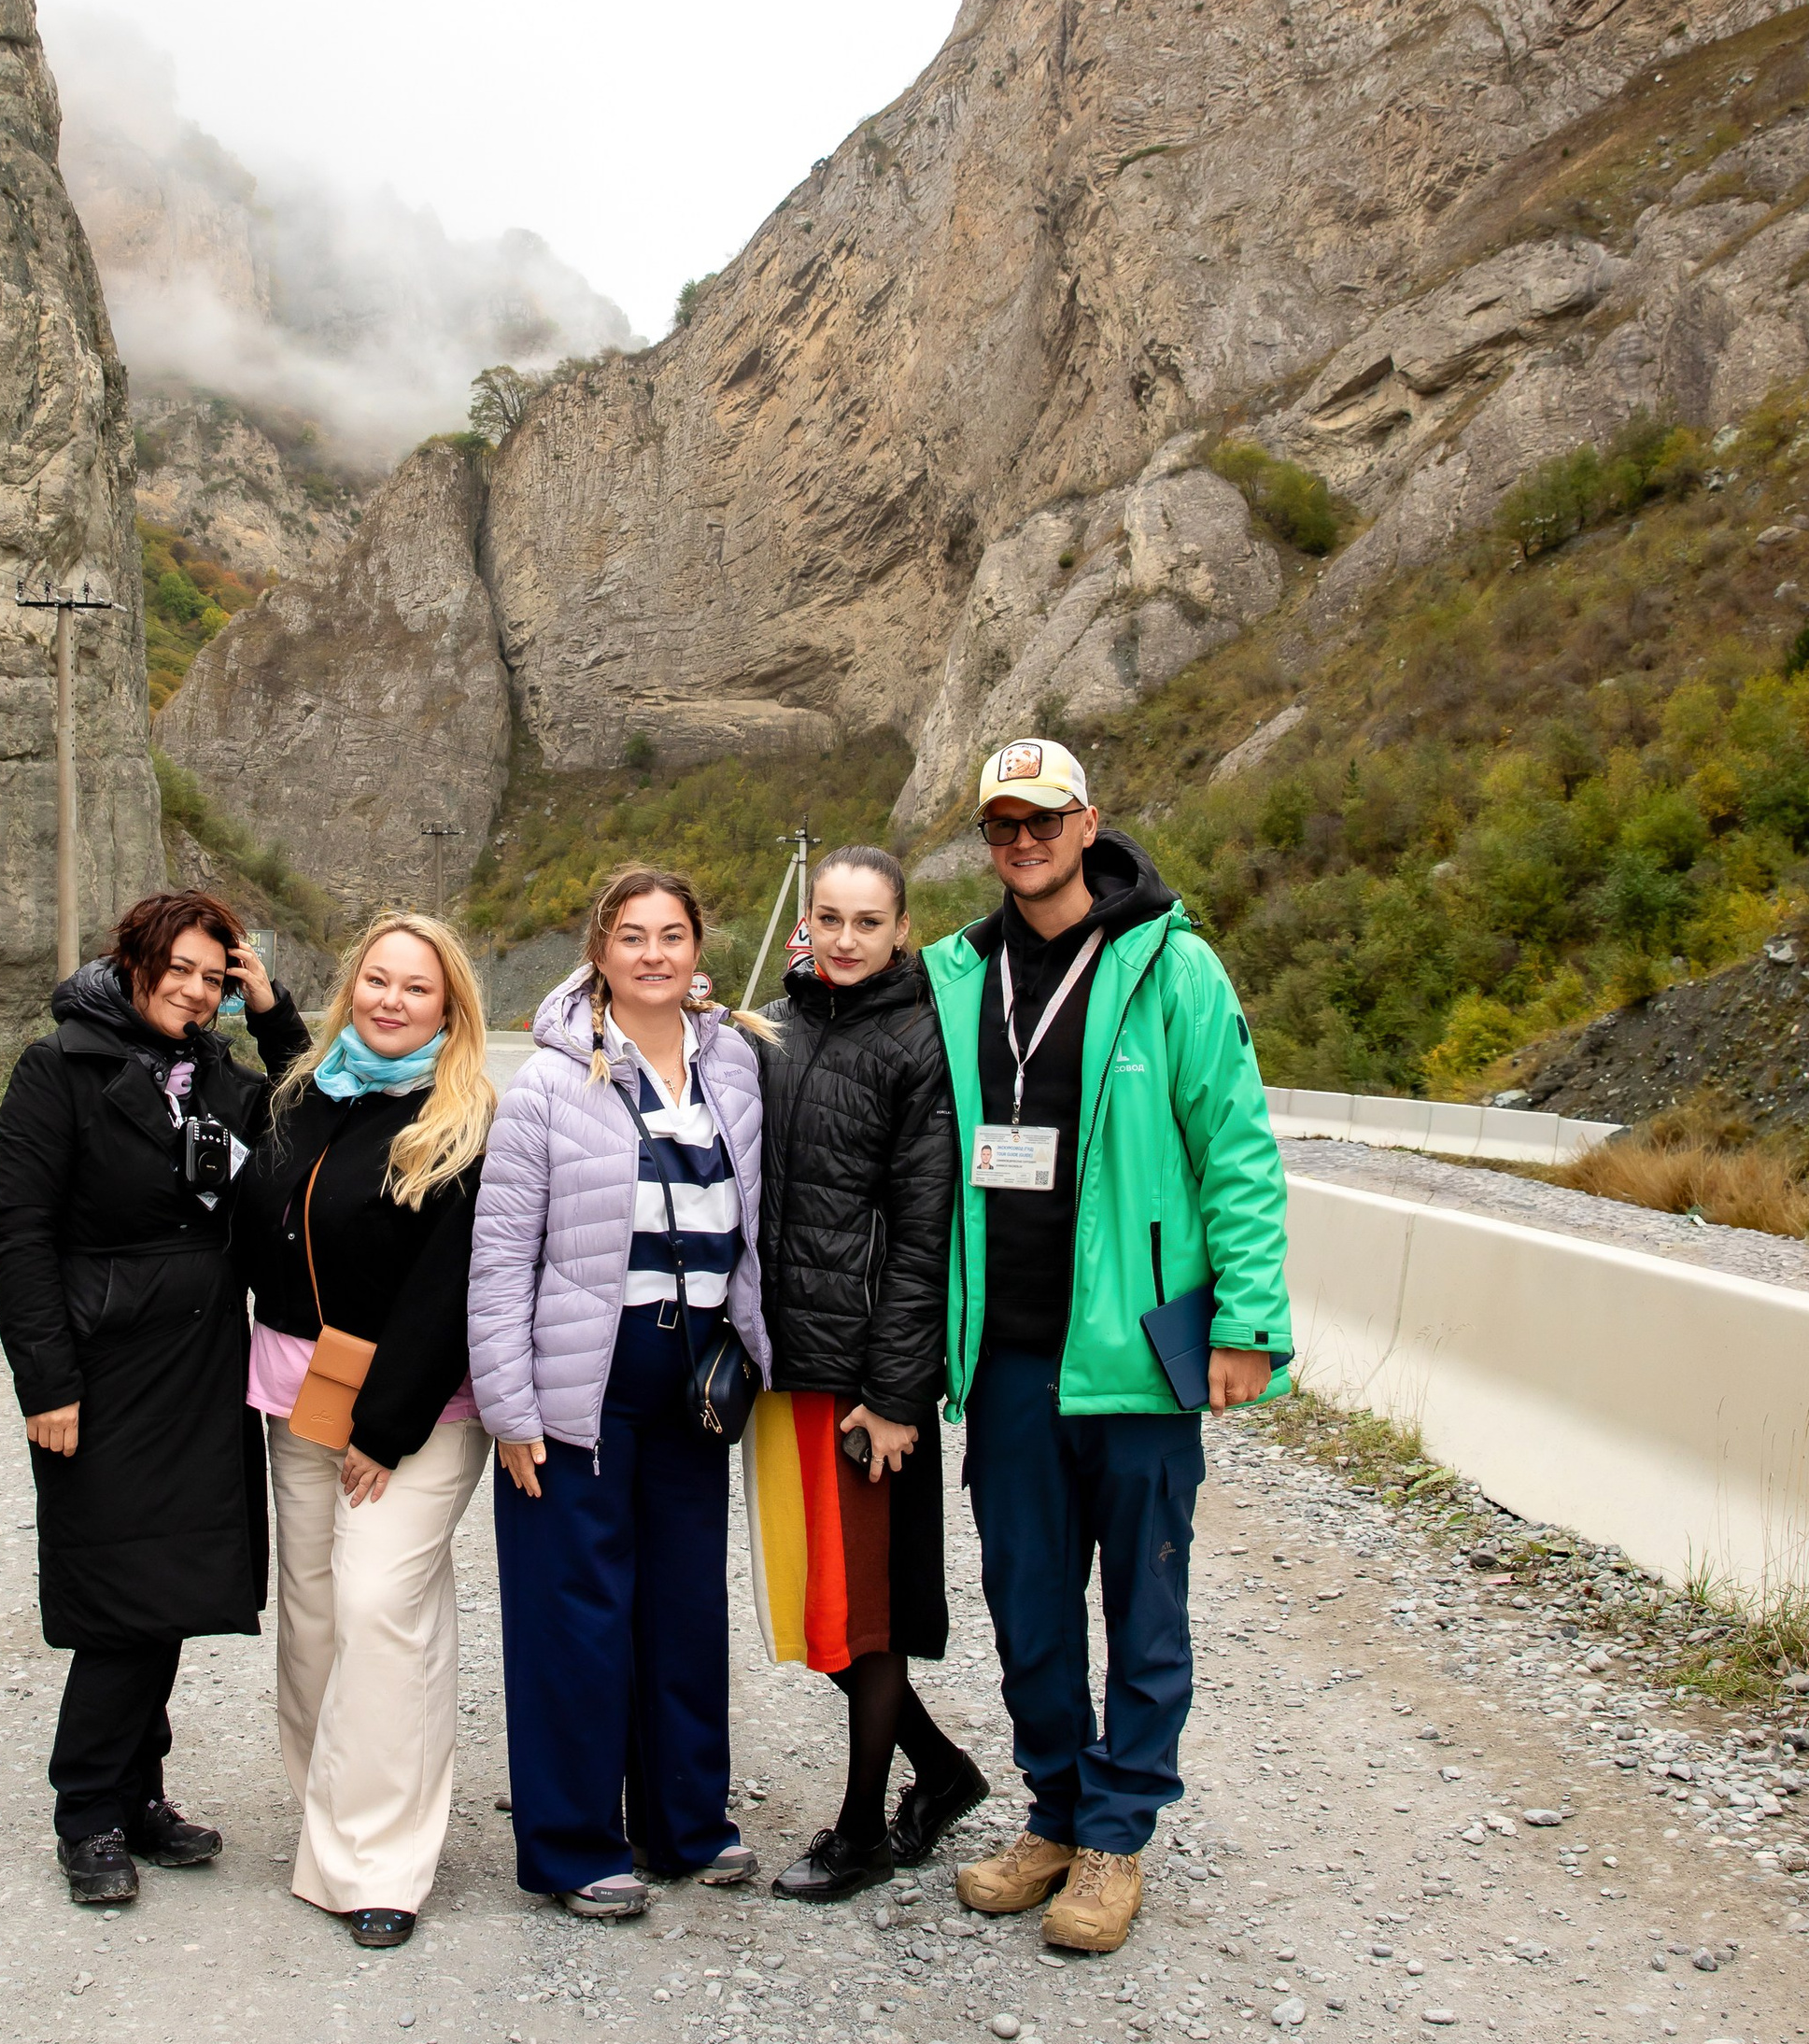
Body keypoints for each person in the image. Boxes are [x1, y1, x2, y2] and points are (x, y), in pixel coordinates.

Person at [921, 737, 1290, 1956]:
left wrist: (1246, 1327)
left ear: (1089, 824)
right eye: (1001, 826)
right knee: (1026, 1601)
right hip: (1010, 1361)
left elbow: (1236, 1151)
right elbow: (847, 1018)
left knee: (1143, 1603)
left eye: (1042, 820)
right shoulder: (961, 974)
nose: (1021, 842)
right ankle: (1055, 1810)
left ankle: (1119, 1833)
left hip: (1135, 1353)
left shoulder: (1171, 970)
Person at [0, 888, 309, 1908]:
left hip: (203, 1366)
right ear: (132, 962)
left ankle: (139, 1796)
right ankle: (86, 1810)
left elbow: (309, 1119)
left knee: (164, 1591)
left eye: (214, 977)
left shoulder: (218, 1073)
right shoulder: (58, 1070)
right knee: (117, 1601)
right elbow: (20, 1237)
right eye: (179, 970)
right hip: (104, 1370)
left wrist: (270, 1010)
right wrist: (47, 1381)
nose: (194, 990)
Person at [468, 863, 770, 1918]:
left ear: (698, 950)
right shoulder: (551, 1083)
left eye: (671, 935)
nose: (653, 954)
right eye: (631, 936)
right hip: (577, 1384)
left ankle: (688, 1824)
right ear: (599, 953)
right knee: (575, 1616)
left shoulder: (734, 1068)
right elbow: (501, 1258)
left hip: (696, 1378)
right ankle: (573, 1845)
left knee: (685, 1607)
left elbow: (755, 1232)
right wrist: (509, 1409)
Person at [241, 910, 495, 1950]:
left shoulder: (459, 1115)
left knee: (380, 1604)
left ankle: (382, 1861)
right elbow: (283, 1145)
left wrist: (381, 1431)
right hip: (295, 1393)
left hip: (415, 1411)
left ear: (451, 1008)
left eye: (417, 989)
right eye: (377, 982)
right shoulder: (310, 1094)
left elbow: (450, 1290)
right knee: (309, 1614)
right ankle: (326, 1818)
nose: (393, 1001)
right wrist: (268, 1018)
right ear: (353, 990)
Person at [750, 845, 985, 1900]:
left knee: (865, 1614)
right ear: (809, 920)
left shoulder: (918, 1040)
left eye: (867, 923)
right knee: (816, 1604)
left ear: (902, 931)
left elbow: (927, 1232)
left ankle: (861, 1833)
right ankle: (940, 1772)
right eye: (830, 919)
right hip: (780, 1366)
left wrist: (896, 1396)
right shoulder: (777, 1024)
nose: (845, 941)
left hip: (860, 1384)